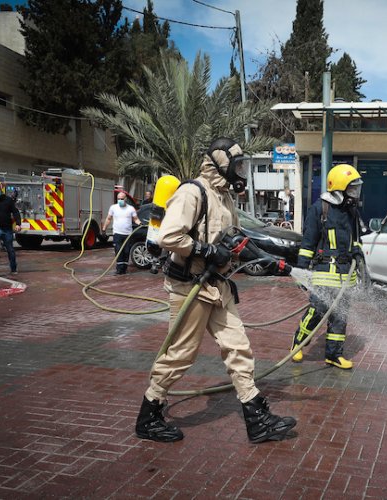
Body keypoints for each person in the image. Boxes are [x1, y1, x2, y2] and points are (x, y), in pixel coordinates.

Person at [135, 137, 296, 444]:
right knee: (180, 355)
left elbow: (235, 239)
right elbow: (169, 236)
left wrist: (273, 262)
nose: (241, 172)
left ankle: (257, 419)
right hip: (190, 288)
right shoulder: (192, 193)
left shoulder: (224, 198)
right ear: (220, 165)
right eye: (237, 166)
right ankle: (149, 415)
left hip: (217, 287)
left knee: (239, 348)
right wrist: (207, 251)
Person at [290, 164, 364, 370]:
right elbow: (308, 243)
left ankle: (334, 355)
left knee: (340, 317)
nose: (356, 193)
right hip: (324, 272)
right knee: (317, 311)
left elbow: (356, 240)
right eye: (352, 188)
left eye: (357, 188)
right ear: (340, 188)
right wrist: (302, 271)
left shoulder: (352, 211)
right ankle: (298, 343)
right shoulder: (320, 208)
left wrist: (359, 258)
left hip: (345, 275)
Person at [101, 192, 140, 275]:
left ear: (125, 199)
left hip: (128, 234)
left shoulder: (131, 209)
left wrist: (140, 223)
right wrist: (104, 229)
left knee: (126, 251)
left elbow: (135, 219)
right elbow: (108, 218)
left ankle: (124, 269)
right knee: (118, 251)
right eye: (118, 199)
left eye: (122, 199)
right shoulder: (113, 208)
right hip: (117, 233)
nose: (120, 200)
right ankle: (119, 269)